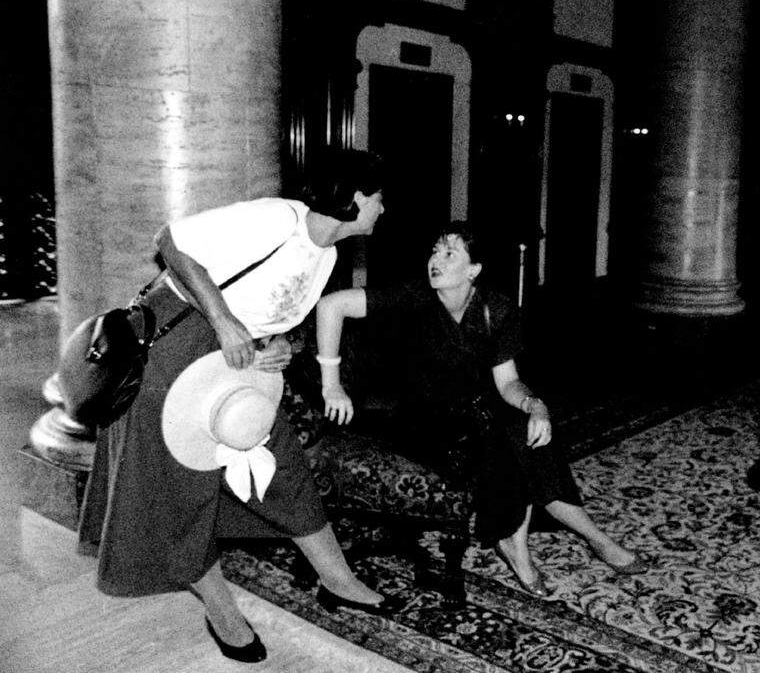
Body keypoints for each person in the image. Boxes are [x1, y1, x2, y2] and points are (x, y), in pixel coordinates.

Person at [78, 148, 396, 664]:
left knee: (281, 465)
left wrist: (278, 346)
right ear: (357, 197)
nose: (383, 209)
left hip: (236, 362)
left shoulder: (329, 257)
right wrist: (224, 322)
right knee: (177, 488)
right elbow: (170, 241)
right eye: (380, 199)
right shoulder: (276, 218)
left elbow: (272, 315)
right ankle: (222, 610)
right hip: (175, 349)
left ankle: (339, 580)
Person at [315, 221, 645, 598]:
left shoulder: (496, 309)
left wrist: (535, 405)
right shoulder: (413, 296)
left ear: (473, 270)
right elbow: (331, 305)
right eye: (435, 251)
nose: (435, 260)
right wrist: (332, 383)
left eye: (449, 253)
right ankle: (544, 543)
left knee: (526, 432)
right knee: (503, 442)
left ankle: (572, 536)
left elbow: (507, 382)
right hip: (415, 419)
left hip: (472, 411)